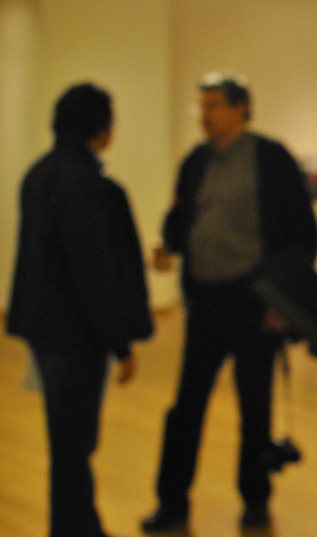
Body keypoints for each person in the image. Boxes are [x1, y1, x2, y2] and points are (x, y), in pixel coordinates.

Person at [142, 72, 317, 533]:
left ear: (240, 108)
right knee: (187, 406)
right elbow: (181, 216)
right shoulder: (196, 161)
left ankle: (255, 499)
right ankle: (171, 502)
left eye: (213, 105)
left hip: (254, 303)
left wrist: (282, 305)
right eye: (201, 106)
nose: (204, 115)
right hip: (205, 303)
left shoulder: (271, 158)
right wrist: (169, 244)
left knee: (255, 408)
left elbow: (302, 235)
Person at [6, 82, 153, 537]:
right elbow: (94, 274)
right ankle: (74, 528)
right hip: (75, 335)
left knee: (66, 439)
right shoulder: (88, 185)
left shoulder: (38, 174)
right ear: (101, 129)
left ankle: (78, 524)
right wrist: (121, 343)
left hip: (44, 330)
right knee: (74, 442)